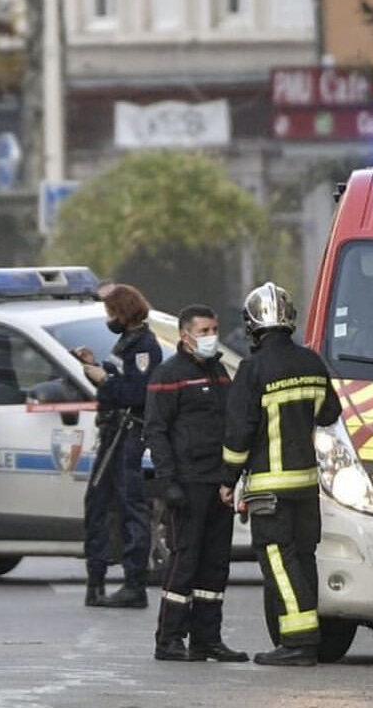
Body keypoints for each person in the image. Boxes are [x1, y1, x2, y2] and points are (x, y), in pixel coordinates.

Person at [219, 281, 343, 667]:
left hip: (268, 487)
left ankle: (299, 640)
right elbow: (330, 413)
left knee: (277, 558)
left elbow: (239, 431)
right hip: (306, 485)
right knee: (303, 558)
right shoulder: (311, 362)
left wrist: (228, 478)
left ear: (252, 324)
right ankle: (306, 637)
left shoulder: (252, 369)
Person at [144, 304, 247, 662]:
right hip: (187, 483)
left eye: (214, 329)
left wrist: (231, 475)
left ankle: (207, 639)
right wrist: (168, 481)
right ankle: (169, 639)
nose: (211, 337)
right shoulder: (169, 374)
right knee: (184, 562)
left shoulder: (219, 371)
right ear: (185, 334)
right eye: (204, 331)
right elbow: (155, 431)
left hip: (218, 482)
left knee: (215, 564)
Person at [73, 282, 162, 608]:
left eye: (110, 311)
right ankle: (95, 579)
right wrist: (94, 365)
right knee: (96, 504)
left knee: (130, 507)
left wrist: (104, 379)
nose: (107, 318)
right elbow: (118, 383)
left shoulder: (142, 347)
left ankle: (133, 584)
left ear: (122, 311)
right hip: (114, 433)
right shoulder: (126, 342)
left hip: (128, 435)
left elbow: (136, 393)